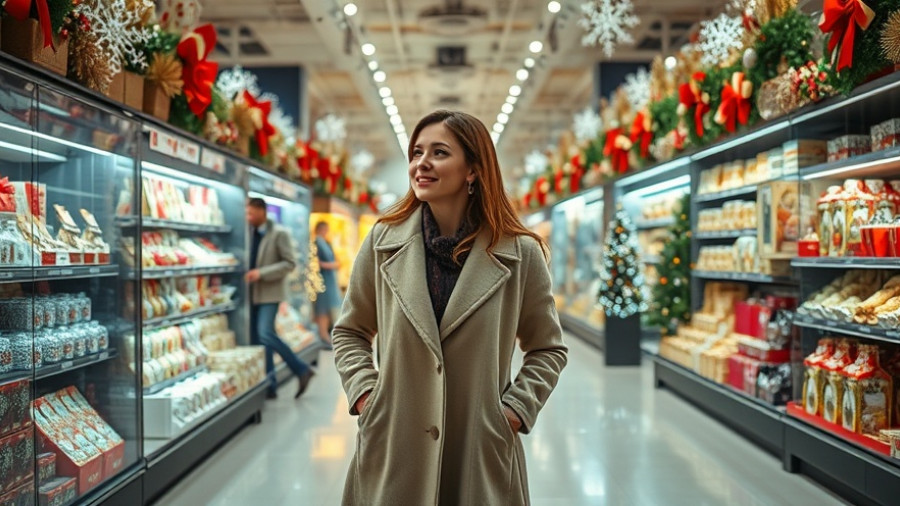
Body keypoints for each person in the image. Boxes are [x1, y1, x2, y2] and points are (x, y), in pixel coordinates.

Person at [333, 110, 568, 505]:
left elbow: (548, 348)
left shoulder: (520, 253)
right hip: (395, 444)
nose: (421, 163)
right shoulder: (382, 243)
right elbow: (350, 331)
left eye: (439, 153)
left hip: (478, 445)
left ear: (473, 170)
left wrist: (513, 411)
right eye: (417, 152)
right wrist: (367, 396)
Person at [245, 197, 314, 400]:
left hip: (270, 293)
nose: (248, 217)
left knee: (265, 333)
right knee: (261, 340)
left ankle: (301, 369)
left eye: (250, 213)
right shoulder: (249, 233)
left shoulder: (279, 233)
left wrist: (261, 273)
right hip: (252, 294)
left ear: (261, 211)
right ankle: (270, 385)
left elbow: (289, 263)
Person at [314, 221, 341, 348]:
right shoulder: (317, 243)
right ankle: (323, 335)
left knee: (327, 308)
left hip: (329, 279)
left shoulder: (326, 243)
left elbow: (336, 262)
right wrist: (331, 265)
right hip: (322, 280)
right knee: (323, 308)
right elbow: (318, 263)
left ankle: (325, 335)